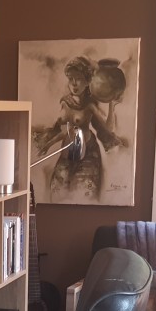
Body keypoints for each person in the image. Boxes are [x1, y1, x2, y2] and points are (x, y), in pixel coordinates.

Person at [34, 55, 128, 202]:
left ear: (87, 82)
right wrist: (47, 145)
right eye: (70, 79)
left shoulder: (90, 105)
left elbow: (107, 129)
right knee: (58, 191)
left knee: (84, 193)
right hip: (68, 152)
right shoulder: (64, 103)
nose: (74, 83)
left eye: (78, 79)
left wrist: (112, 106)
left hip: (88, 155)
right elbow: (64, 131)